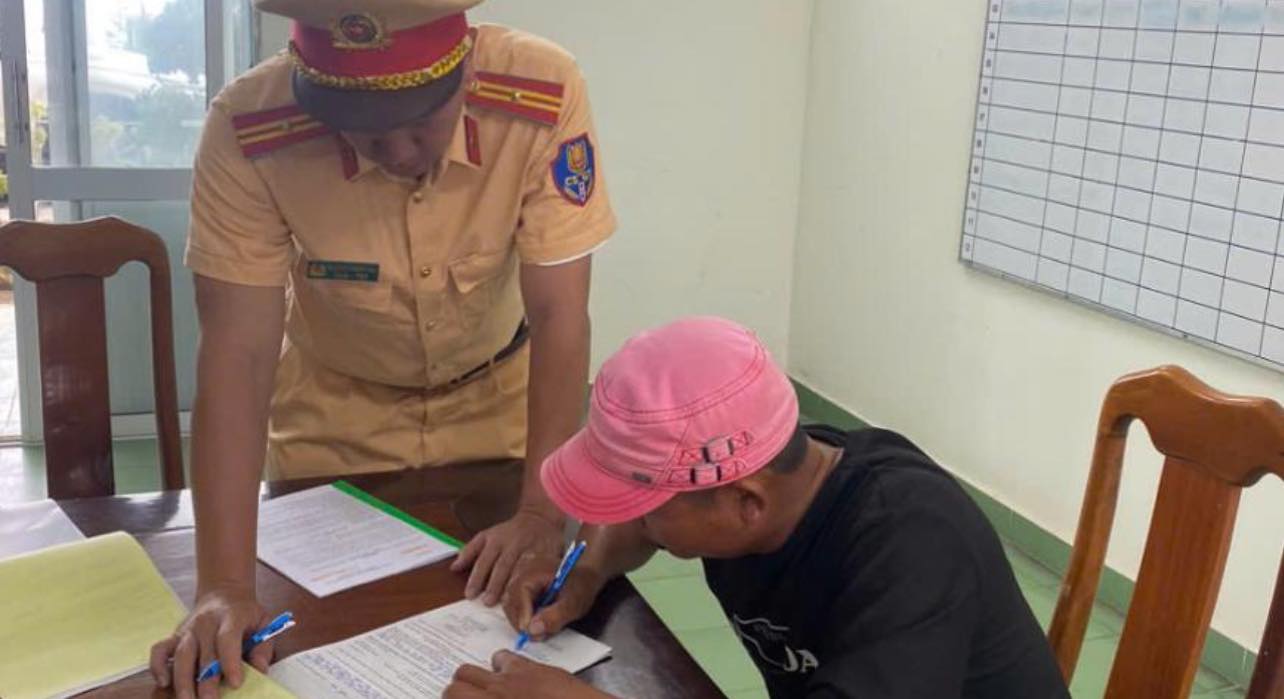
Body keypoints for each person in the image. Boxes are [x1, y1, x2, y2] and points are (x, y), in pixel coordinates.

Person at [150, 1, 615, 696]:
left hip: (501, 425)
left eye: (422, 120)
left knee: (516, 627)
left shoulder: (540, 95)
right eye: (363, 133)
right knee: (312, 647)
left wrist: (543, 513)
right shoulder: (248, 127)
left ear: (463, 68)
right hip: (332, 425)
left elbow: (560, 316)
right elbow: (236, 357)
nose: (398, 153)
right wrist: (221, 582)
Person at [446, 317, 1071, 698]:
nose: (636, 519)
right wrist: (585, 574)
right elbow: (633, 529)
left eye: (649, 505)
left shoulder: (912, 544)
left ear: (744, 503)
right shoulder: (775, 475)